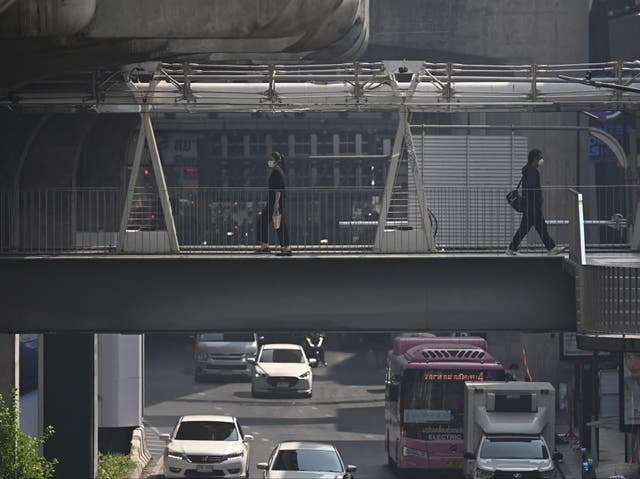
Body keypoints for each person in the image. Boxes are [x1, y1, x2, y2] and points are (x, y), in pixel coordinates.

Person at [506, 149, 564, 256]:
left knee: (534, 227)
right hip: (532, 205)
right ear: (534, 159)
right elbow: (532, 188)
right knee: (538, 227)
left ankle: (512, 248)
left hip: (531, 205)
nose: (541, 160)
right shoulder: (532, 172)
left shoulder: (528, 171)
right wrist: (537, 201)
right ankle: (551, 248)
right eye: (540, 158)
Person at [256, 151, 291, 256]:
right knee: (277, 224)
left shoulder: (277, 172)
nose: (269, 161)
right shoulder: (277, 171)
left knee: (267, 222)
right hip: (274, 202)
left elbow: (278, 190)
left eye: (271, 159)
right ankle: (283, 248)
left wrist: (276, 203)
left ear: (276, 161)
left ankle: (278, 248)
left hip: (275, 203)